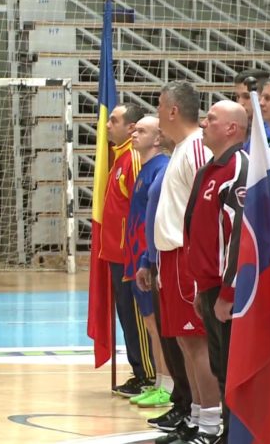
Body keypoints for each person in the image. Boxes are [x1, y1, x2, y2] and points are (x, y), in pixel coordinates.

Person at [183, 100, 250, 444]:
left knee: (235, 371)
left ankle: (239, 436)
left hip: (229, 293)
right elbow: (201, 230)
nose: (203, 123)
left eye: (211, 119)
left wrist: (228, 292)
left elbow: (240, 234)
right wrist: (201, 287)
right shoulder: (209, 169)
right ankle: (228, 433)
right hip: (210, 289)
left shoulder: (239, 167)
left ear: (231, 129)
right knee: (220, 366)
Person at [154, 80, 216, 444]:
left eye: (160, 106)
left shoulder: (196, 148)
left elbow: (205, 208)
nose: (158, 113)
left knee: (197, 342)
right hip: (170, 257)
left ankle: (210, 423)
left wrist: (197, 259)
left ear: (173, 110)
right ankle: (194, 417)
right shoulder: (181, 148)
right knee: (184, 342)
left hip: (186, 256)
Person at [135, 132, 193, 433]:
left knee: (187, 341)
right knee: (170, 335)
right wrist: (148, 257)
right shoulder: (168, 162)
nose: (136, 134)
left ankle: (199, 412)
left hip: (178, 260)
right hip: (158, 258)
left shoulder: (186, 155)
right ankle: (181, 401)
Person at [101, 103, 156, 397]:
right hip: (116, 255)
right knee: (127, 316)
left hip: (129, 257)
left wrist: (137, 255)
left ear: (131, 127)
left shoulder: (133, 160)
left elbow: (140, 209)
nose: (108, 125)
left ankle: (148, 374)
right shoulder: (119, 158)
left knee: (137, 317)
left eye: (114, 120)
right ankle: (139, 371)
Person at [124, 116, 173, 409]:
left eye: (141, 130)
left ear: (157, 138)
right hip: (138, 259)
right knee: (150, 324)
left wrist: (148, 258)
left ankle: (167, 385)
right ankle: (159, 382)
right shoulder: (145, 169)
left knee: (158, 325)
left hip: (150, 259)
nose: (134, 133)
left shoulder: (161, 168)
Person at [233, 69, 270, 149]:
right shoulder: (235, 129)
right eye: (237, 96)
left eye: (247, 97)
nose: (240, 103)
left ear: (264, 97)